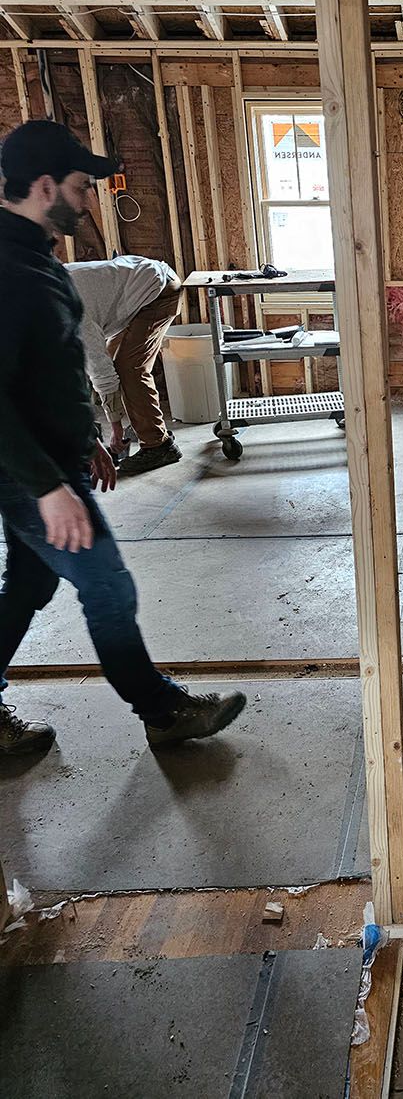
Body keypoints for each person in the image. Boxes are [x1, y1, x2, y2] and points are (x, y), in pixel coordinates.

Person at [0, 119, 246, 755]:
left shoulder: (35, 258)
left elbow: (48, 369)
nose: (87, 200)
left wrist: (85, 439)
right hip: (33, 474)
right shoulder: (9, 271)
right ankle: (161, 710)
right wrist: (50, 486)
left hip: (55, 462)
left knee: (31, 584)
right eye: (81, 187)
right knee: (107, 585)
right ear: (45, 185)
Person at [66, 255, 183, 476]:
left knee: (129, 369)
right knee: (118, 364)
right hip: (139, 285)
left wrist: (115, 426)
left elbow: (99, 367)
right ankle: (147, 428)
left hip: (157, 290)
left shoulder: (67, 306)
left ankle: (158, 446)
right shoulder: (41, 289)